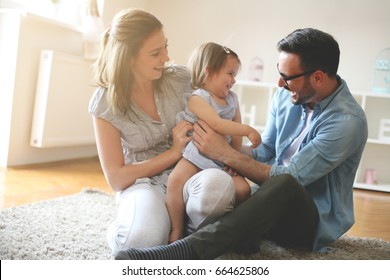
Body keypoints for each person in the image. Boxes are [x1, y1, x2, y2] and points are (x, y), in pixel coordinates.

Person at [114, 27, 368, 260]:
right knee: (219, 190)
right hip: (266, 202)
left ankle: (186, 251)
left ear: (318, 78)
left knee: (285, 183)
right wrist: (222, 150)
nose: (279, 84)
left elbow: (292, 177)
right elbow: (266, 151)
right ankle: (185, 231)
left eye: (286, 77)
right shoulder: (286, 97)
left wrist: (225, 154)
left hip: (308, 222)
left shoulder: (346, 121)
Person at [89, 8, 237, 254]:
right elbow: (116, 178)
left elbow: (225, 100)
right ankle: (142, 224)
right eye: (156, 53)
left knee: (219, 188)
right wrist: (174, 151)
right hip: (143, 184)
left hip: (192, 171)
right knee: (139, 243)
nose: (167, 57)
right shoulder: (104, 103)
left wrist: (231, 150)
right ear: (127, 57)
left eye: (165, 47)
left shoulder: (181, 78)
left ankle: (178, 226)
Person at [166, 42, 261, 243]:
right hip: (196, 154)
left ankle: (235, 230)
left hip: (222, 158)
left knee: (244, 190)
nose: (234, 80)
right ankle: (176, 229)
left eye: (235, 75)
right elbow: (217, 125)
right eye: (230, 73)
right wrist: (249, 130)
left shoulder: (233, 100)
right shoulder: (198, 98)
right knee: (175, 181)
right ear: (209, 72)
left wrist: (234, 161)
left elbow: (235, 139)